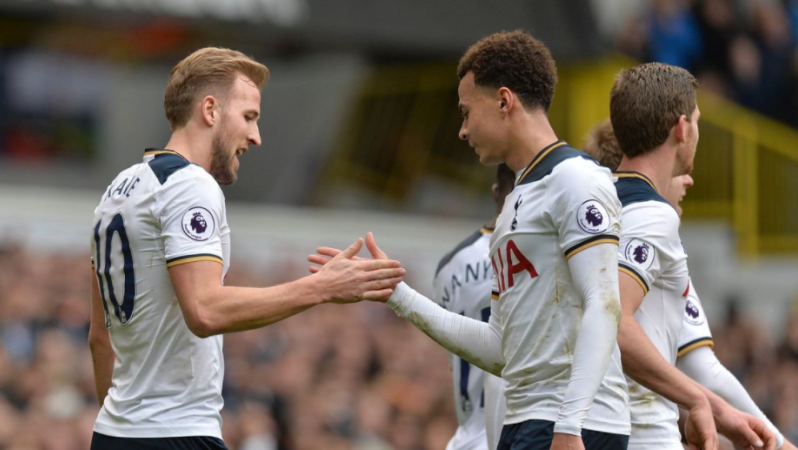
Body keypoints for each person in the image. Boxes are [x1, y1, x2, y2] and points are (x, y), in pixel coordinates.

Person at [312, 30, 631, 449]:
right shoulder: (512, 207)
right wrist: (397, 295)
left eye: (466, 112)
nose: (462, 131)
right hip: (525, 420)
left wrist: (571, 424)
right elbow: (500, 349)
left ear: (504, 101)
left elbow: (604, 305)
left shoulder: (575, 178)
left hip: (574, 426)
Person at [87, 47, 406, 450]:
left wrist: (123, 428)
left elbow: (100, 338)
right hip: (175, 433)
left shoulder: (117, 190)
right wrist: (322, 287)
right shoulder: (191, 185)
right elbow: (204, 310)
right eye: (249, 117)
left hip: (114, 433)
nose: (256, 137)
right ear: (210, 110)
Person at [583, 119, 795, 450]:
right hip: (640, 436)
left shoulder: (582, 237)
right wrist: (779, 444)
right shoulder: (655, 229)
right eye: (677, 169)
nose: (687, 179)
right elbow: (704, 370)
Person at [608, 62, 774, 449]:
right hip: (644, 435)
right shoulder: (653, 215)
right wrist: (699, 400)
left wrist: (716, 410)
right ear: (682, 128)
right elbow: (613, 320)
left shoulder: (591, 206)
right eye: (697, 121)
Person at [433, 164, 513, 450]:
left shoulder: (449, 265)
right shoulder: (544, 256)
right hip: (519, 432)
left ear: (495, 191)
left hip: (467, 437)